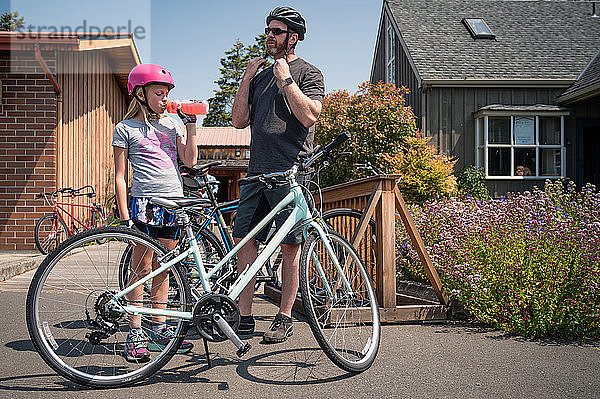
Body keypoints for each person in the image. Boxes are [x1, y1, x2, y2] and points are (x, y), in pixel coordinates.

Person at [231, 6, 325, 343]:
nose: (269, 35)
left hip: (291, 173)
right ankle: (244, 317)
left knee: (290, 246)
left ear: (293, 37)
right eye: (268, 30)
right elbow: (239, 120)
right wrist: (246, 79)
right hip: (256, 173)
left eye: (277, 31)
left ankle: (284, 317)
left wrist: (285, 78)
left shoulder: (309, 74)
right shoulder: (258, 78)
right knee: (246, 242)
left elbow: (310, 116)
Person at [112, 63, 198, 362]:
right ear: (140, 94)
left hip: (173, 205)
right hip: (144, 205)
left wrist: (190, 125)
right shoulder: (126, 129)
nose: (164, 99)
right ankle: (135, 331)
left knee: (164, 269)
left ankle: (159, 329)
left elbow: (188, 160)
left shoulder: (173, 124)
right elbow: (121, 176)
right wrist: (124, 217)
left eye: (166, 94)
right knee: (141, 270)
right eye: (158, 93)